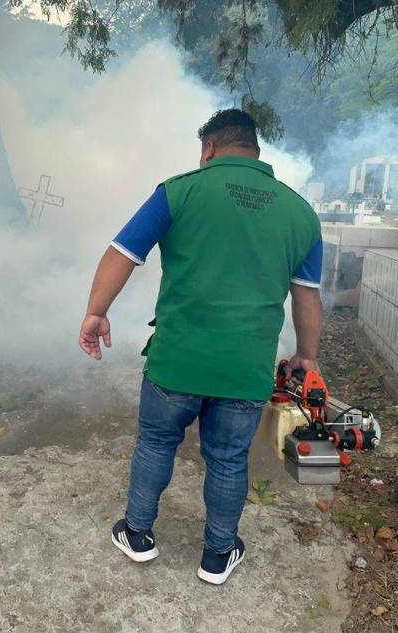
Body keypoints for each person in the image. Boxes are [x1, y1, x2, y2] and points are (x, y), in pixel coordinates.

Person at [78, 108, 323, 585]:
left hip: (176, 360)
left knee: (156, 442)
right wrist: (306, 357)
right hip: (245, 369)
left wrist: (96, 312)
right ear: (254, 149)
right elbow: (307, 295)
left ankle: (138, 533)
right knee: (229, 458)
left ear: (209, 148)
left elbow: (122, 253)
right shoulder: (299, 212)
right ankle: (218, 554)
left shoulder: (179, 191)